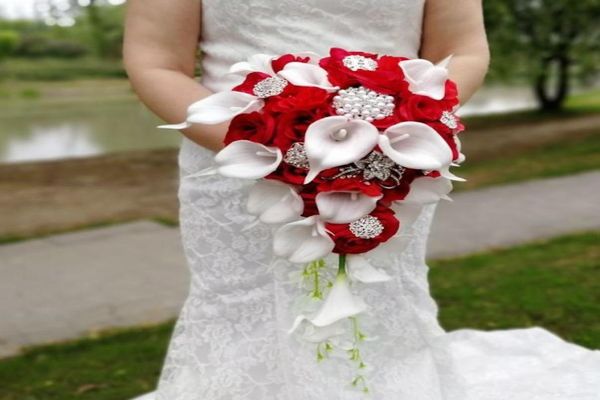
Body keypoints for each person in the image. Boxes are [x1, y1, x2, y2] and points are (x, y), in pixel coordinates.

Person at [123, 1, 600, 399]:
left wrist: (400, 129)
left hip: (387, 161)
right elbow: (156, 62)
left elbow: (462, 52)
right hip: (234, 155)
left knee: (377, 298)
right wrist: (277, 143)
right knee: (240, 304)